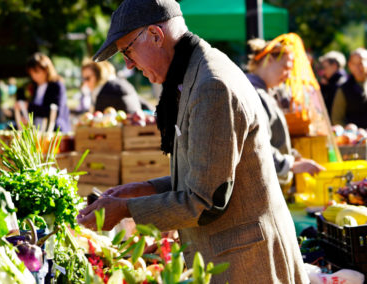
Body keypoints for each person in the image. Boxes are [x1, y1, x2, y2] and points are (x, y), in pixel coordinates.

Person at [77, 0, 308, 283]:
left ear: (155, 35)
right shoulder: (196, 72)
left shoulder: (211, 85)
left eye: (127, 51)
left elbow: (203, 200)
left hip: (250, 265)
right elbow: (205, 173)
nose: (128, 64)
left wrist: (127, 209)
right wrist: (141, 189)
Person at [246, 38, 325, 186]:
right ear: (269, 60)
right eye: (286, 67)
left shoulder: (267, 92)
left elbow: (274, 140)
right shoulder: (253, 94)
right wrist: (291, 165)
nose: (288, 75)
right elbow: (255, 145)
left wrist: (294, 158)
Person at [15, 53, 71, 132]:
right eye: (31, 73)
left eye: (36, 72)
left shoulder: (56, 85)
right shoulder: (34, 86)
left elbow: (55, 111)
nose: (34, 76)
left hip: (54, 132)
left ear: (46, 70)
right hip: (38, 131)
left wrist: (29, 106)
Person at [331, 48, 367, 128]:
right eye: (354, 64)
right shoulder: (344, 89)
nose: (358, 67)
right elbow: (337, 119)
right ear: (350, 65)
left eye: (361, 63)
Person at [318, 51, 347, 117]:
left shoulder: (340, 85)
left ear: (334, 66)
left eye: (325, 68)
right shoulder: (333, 83)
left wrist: (323, 88)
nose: (323, 72)